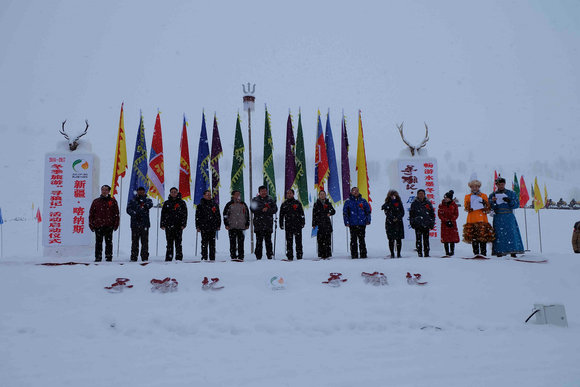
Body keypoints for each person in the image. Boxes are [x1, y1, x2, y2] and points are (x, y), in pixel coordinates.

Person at [489, 177, 524, 257]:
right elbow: (491, 207)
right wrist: (493, 202)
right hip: (498, 217)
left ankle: (513, 251)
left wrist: (510, 201)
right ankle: (500, 251)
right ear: (496, 185)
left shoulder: (511, 193)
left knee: (511, 233)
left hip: (509, 216)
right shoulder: (492, 195)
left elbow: (517, 205)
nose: (501, 186)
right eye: (499, 184)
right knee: (499, 234)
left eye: (502, 184)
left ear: (504, 184)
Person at [463, 180, 495, 256]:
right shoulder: (467, 196)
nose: (475, 188)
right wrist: (470, 204)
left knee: (483, 237)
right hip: (472, 219)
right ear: (470, 187)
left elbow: (488, 209)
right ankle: (476, 253)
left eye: (476, 186)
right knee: (474, 237)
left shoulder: (484, 195)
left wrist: (484, 204)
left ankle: (483, 253)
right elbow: (466, 208)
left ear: (479, 187)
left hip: (482, 219)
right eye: (473, 186)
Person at [89, 185, 120, 262]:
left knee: (109, 242)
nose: (104, 191)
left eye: (106, 190)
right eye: (103, 190)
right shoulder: (96, 201)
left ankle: (108, 257)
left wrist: (116, 224)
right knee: (98, 242)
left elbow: (116, 214)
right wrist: (91, 224)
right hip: (98, 225)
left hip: (109, 225)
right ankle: (98, 257)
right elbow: (91, 214)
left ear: (109, 191)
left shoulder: (113, 201)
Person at [343, 187, 371, 259]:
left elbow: (368, 211)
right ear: (351, 192)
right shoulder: (348, 202)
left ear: (359, 192)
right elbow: (345, 213)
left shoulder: (363, 201)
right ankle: (354, 255)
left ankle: (363, 254)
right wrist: (346, 222)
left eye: (357, 191)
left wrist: (368, 220)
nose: (355, 192)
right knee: (353, 240)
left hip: (362, 223)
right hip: (352, 224)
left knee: (362, 239)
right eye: (354, 191)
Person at [250, 186, 278, 260]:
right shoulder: (255, 199)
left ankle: (270, 255)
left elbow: (275, 209)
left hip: (268, 224)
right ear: (259, 192)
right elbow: (252, 209)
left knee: (268, 241)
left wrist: (268, 210)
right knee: (259, 241)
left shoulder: (270, 199)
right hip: (258, 224)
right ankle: (258, 256)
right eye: (262, 191)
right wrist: (261, 209)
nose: (264, 192)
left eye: (265, 191)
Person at [126, 186, 153, 262]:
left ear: (144, 192)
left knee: (145, 242)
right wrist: (134, 213)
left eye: (142, 191)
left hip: (144, 224)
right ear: (137, 192)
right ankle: (134, 257)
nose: (141, 192)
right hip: (135, 224)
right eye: (139, 191)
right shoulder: (132, 200)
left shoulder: (148, 200)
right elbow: (128, 210)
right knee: (134, 242)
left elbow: (149, 205)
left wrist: (143, 206)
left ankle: (144, 257)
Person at [160, 187, 188, 261]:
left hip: (178, 226)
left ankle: (179, 257)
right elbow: (163, 214)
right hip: (169, 226)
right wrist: (162, 224)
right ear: (170, 193)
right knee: (169, 242)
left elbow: (185, 214)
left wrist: (183, 224)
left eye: (175, 192)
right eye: (172, 192)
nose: (173, 193)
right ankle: (169, 257)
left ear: (177, 193)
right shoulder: (166, 203)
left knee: (178, 242)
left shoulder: (182, 203)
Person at [223, 190, 250, 261]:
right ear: (233, 196)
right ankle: (233, 256)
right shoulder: (229, 204)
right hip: (232, 226)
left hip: (241, 226)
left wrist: (247, 223)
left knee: (241, 243)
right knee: (233, 243)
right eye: (237, 194)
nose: (238, 196)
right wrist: (226, 224)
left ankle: (241, 256)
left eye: (239, 194)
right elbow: (225, 215)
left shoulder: (243, 204)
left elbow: (247, 215)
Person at [279, 189, 305, 260]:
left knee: (298, 241)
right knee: (289, 242)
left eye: (290, 193)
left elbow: (302, 213)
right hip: (288, 225)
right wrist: (281, 224)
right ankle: (290, 256)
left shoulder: (297, 203)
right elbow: (281, 215)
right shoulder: (284, 204)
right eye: (288, 193)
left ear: (293, 194)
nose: (289, 195)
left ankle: (299, 256)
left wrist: (303, 222)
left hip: (297, 225)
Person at [195, 190, 221, 261]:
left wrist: (218, 224)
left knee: (212, 243)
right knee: (204, 243)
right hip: (204, 227)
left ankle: (212, 258)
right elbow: (197, 217)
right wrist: (197, 226)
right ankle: (204, 257)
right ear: (204, 196)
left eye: (210, 195)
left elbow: (218, 215)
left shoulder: (214, 205)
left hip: (212, 226)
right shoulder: (200, 205)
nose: (209, 196)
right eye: (207, 195)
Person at [409, 189, 436, 257]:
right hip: (418, 224)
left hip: (426, 224)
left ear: (424, 195)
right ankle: (419, 253)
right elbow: (411, 214)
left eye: (422, 193)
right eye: (419, 193)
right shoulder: (414, 203)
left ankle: (427, 253)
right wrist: (412, 222)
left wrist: (431, 223)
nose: (421, 195)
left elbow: (432, 214)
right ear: (417, 195)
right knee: (418, 240)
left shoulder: (428, 203)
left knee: (426, 240)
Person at [312, 190, 336, 259]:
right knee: (320, 240)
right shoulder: (316, 204)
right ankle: (321, 254)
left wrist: (330, 213)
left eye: (323, 194)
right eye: (321, 194)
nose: (322, 195)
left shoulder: (328, 203)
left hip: (327, 223)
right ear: (319, 195)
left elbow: (333, 211)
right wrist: (313, 224)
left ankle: (327, 254)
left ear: (325, 195)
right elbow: (314, 214)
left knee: (327, 239)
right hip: (319, 223)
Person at [381, 190, 405, 258]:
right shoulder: (387, 203)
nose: (393, 197)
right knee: (391, 239)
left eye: (394, 195)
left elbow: (402, 212)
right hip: (390, 223)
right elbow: (386, 213)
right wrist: (392, 218)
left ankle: (398, 253)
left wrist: (397, 218)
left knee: (398, 239)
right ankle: (392, 253)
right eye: (391, 195)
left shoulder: (399, 203)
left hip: (399, 223)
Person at [438, 190, 460, 257]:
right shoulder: (441, 205)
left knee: (452, 238)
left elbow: (456, 214)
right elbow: (440, 214)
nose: (445, 199)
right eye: (445, 197)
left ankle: (452, 251)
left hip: (452, 224)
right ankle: (447, 252)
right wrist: (446, 220)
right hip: (444, 224)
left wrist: (451, 220)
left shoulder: (454, 205)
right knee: (445, 239)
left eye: (447, 198)